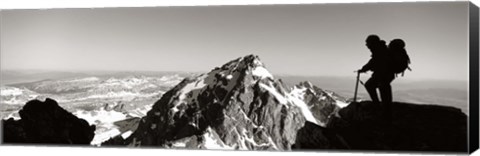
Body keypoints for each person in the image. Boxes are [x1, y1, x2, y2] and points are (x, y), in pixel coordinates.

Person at [358, 35, 395, 121]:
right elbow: (374, 62)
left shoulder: (379, 50)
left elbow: (373, 62)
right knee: (380, 88)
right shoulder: (381, 48)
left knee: (380, 89)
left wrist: (363, 69)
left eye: (367, 43)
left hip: (383, 75)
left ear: (372, 43)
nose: (367, 45)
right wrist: (364, 69)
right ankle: (383, 109)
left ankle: (384, 112)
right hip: (385, 74)